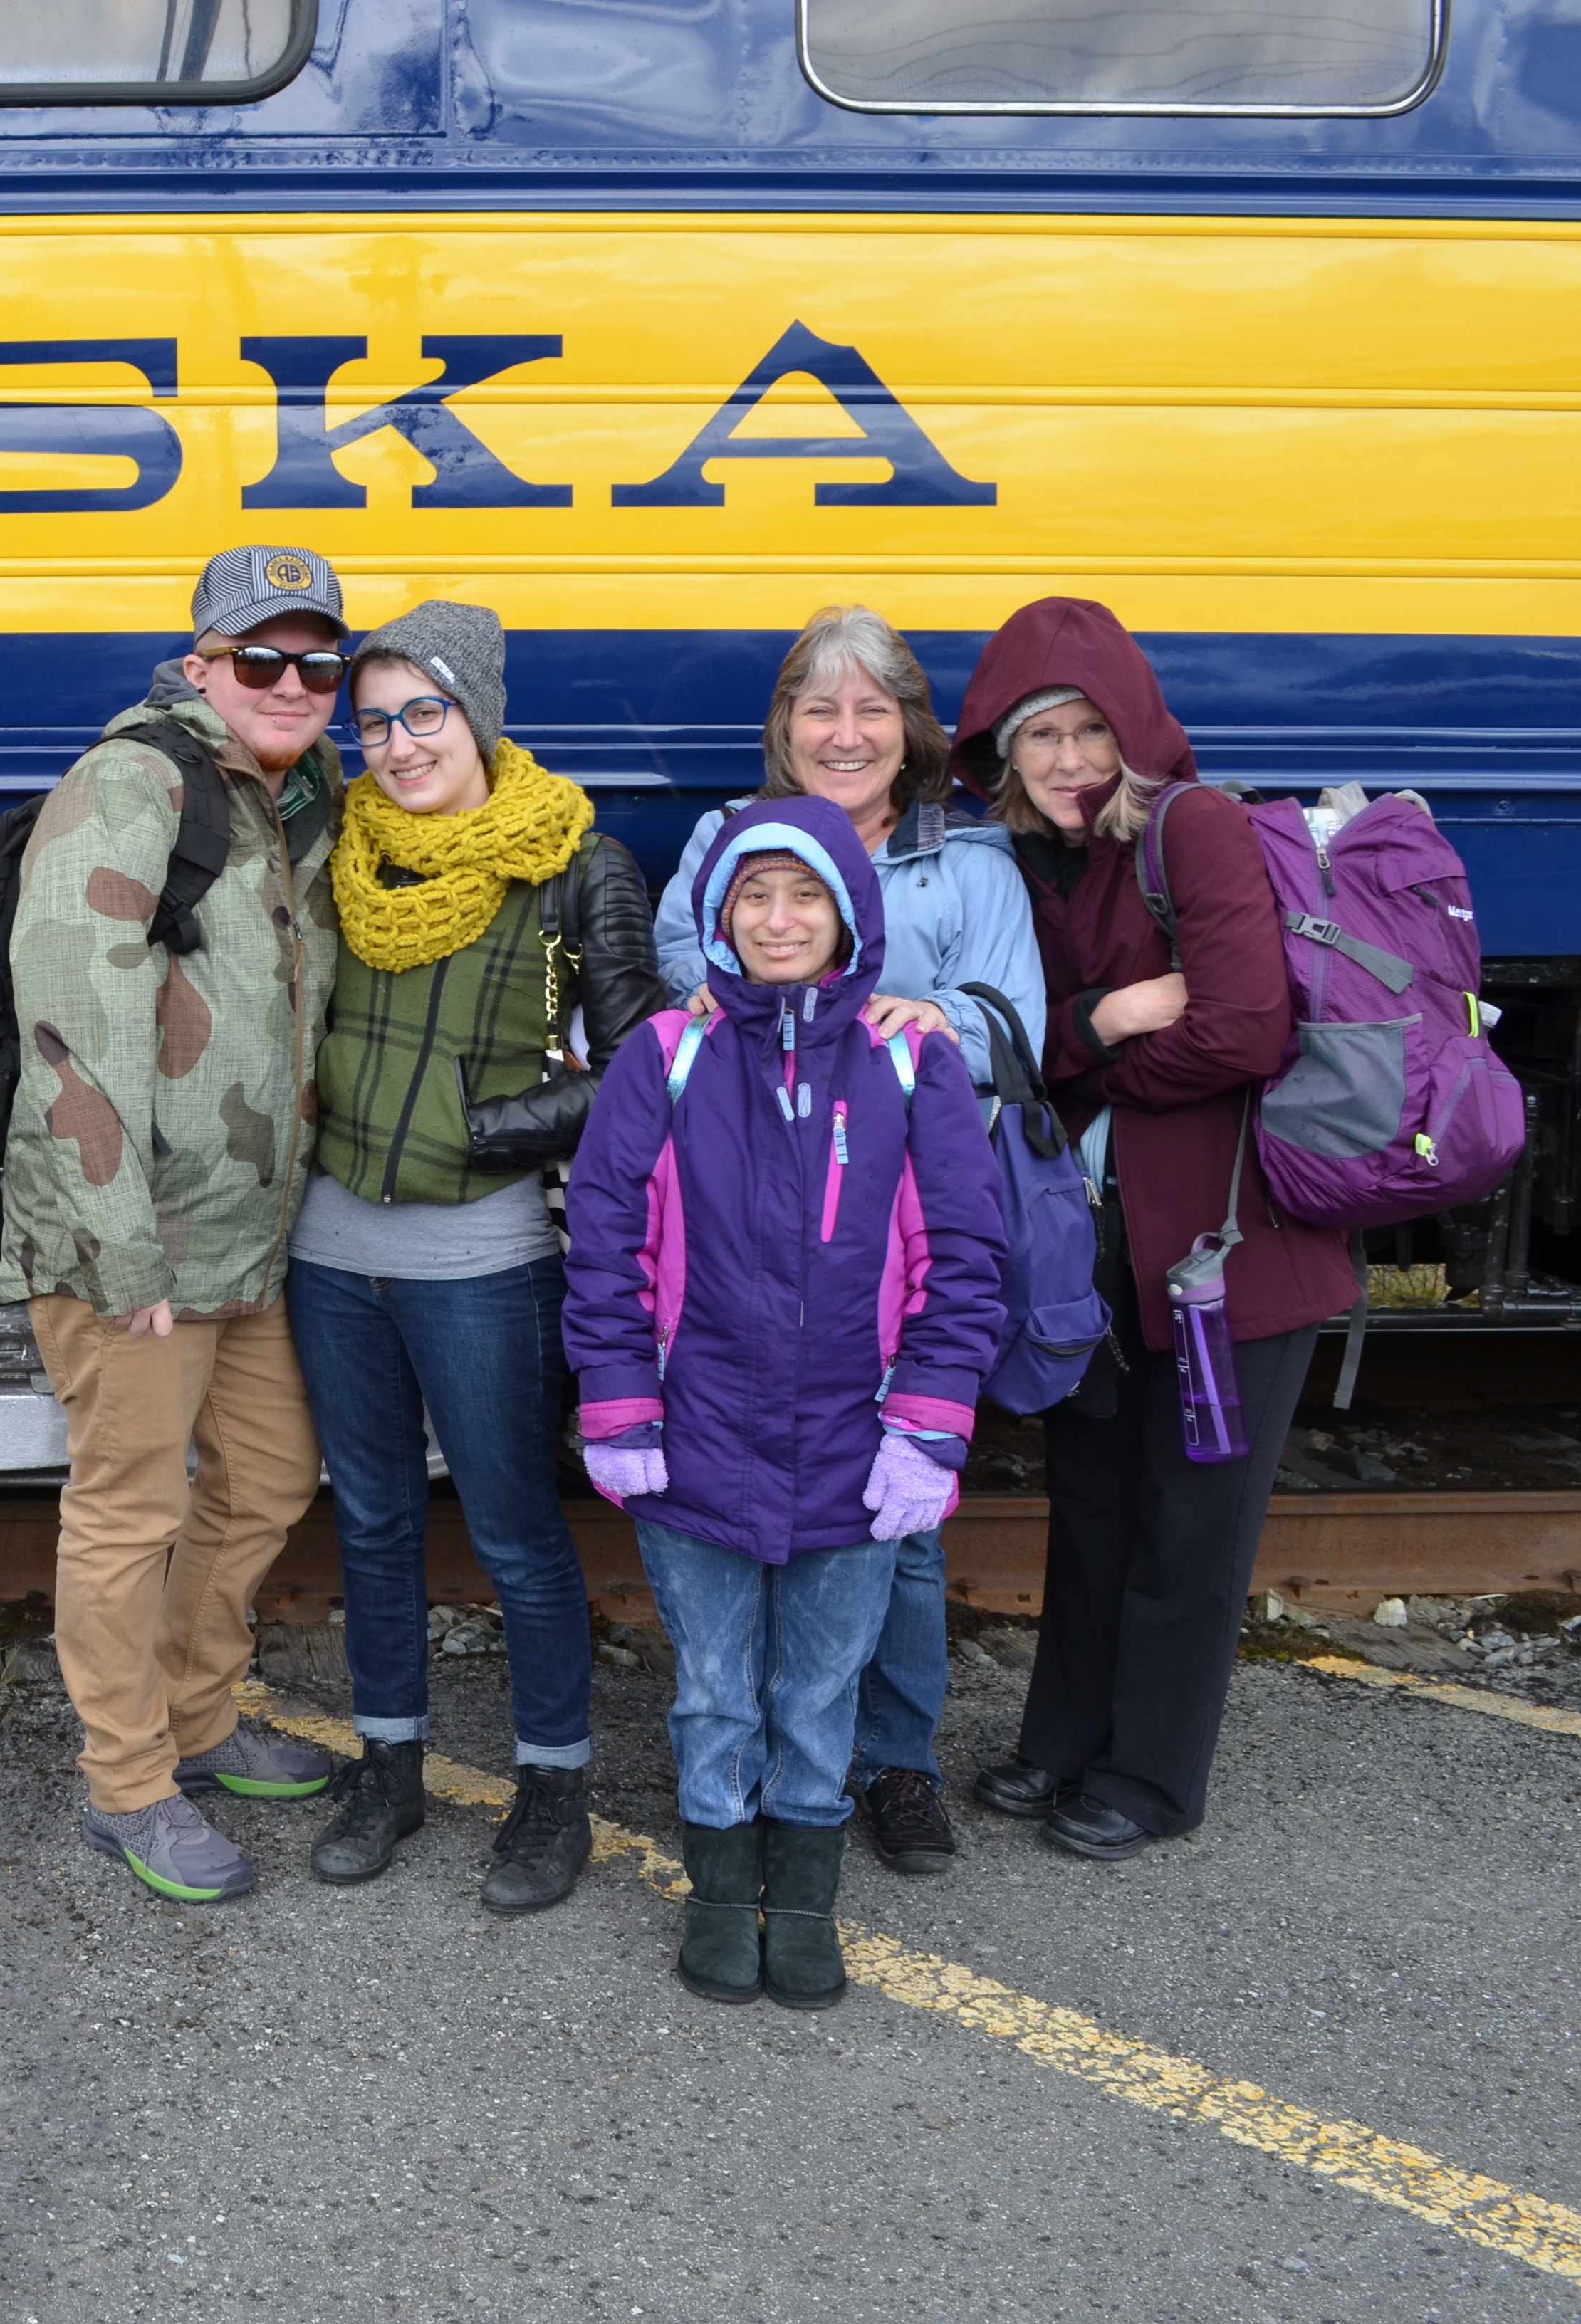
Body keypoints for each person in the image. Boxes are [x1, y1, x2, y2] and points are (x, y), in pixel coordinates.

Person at [563, 800, 1005, 2007]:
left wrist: (927, 1422)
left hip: (857, 1447)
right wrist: (620, 1407)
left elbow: (963, 1253)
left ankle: (803, 1894)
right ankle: (720, 1887)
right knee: (713, 1685)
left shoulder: (916, 1060)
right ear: (717, 913)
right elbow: (605, 1245)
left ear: (850, 911)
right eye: (754, 895)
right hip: (696, 1433)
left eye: (804, 895)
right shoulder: (667, 1055)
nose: (778, 918)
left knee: (820, 1689)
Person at [953, 597, 1356, 1863]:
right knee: (1093, 1505)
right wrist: (1114, 1020)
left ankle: (1151, 1777)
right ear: (1005, 761)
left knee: (1191, 1523)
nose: (1068, 762)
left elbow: (1247, 1031)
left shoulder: (1200, 828)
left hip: (1227, 1258)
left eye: (1087, 732)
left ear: (1134, 734)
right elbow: (1039, 1047)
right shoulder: (1033, 867)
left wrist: (1088, 1058)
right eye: (1039, 741)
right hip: (1103, 1256)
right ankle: (1063, 1741)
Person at [652, 605, 1045, 1878]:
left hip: (905, 1235)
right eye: (820, 709)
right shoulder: (726, 843)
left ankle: (896, 1764)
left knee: (900, 1527)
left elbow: (1010, 1036)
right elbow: (690, 982)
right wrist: (799, 1001)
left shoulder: (971, 867)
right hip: (752, 1232)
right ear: (786, 728)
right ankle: (768, 1765)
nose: (846, 732)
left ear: (910, 731)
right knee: (755, 1519)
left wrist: (910, 1017)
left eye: (874, 709)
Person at [287, 600, 667, 1912]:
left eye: (424, 714)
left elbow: (636, 1069)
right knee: (375, 1519)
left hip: (486, 1257)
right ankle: (388, 1767)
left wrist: (486, 1125)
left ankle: (553, 1784)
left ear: (479, 714)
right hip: (332, 1250)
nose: (397, 747)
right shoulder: (341, 847)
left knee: (514, 1535)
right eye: (376, 719)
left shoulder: (573, 872)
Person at [5, 543, 353, 1905]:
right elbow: (72, 1022)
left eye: (318, 664)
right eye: (260, 657)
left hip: (245, 1236)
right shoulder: (135, 783)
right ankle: (128, 1781)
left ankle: (200, 1717)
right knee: (130, 1509)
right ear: (202, 664)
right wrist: (120, 1244)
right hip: (136, 1239)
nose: (292, 682)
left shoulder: (281, 794)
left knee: (270, 1476)